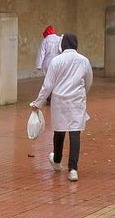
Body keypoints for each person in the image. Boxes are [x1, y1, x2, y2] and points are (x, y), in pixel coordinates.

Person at [30, 33, 92, 182]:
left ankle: (57, 160)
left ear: (62, 44)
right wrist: (82, 94)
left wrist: (38, 102)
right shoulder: (84, 61)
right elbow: (88, 81)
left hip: (59, 101)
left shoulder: (56, 61)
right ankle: (73, 169)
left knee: (59, 131)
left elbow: (48, 85)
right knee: (75, 133)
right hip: (77, 101)